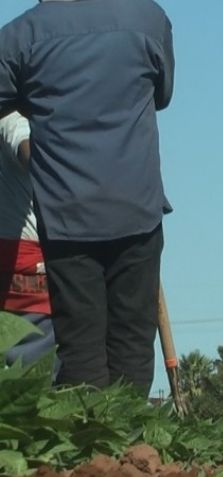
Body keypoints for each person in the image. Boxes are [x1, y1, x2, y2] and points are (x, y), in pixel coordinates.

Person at [0, 0, 175, 395]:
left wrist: (39, 98)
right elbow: (162, 94)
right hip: (136, 206)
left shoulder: (20, 36)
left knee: (80, 349)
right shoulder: (148, 18)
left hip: (66, 214)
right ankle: (130, 430)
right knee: (133, 343)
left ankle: (90, 430)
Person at [0, 111, 55, 370]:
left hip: (23, 261)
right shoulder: (13, 113)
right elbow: (27, 150)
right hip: (26, 269)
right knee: (34, 374)